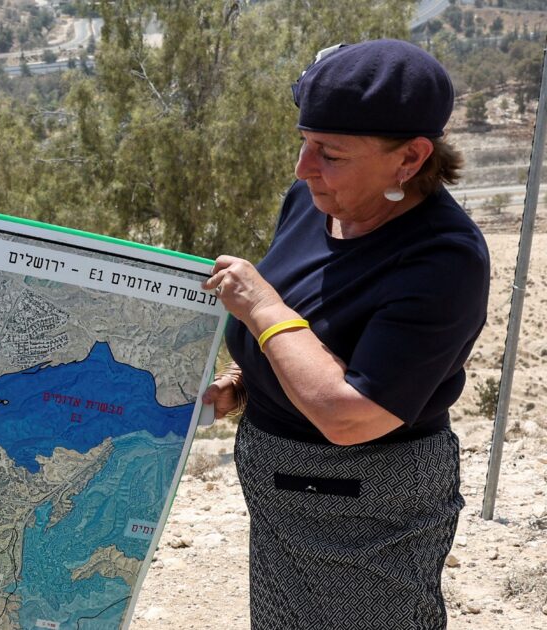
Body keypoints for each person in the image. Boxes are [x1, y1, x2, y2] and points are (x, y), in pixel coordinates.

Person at [199, 40, 489, 629]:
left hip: (367, 513)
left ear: (410, 158)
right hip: (279, 500)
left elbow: (351, 416)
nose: (303, 168)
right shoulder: (313, 202)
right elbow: (311, 328)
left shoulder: (443, 258)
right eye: (304, 143)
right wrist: (245, 380)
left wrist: (261, 307)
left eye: (330, 153)